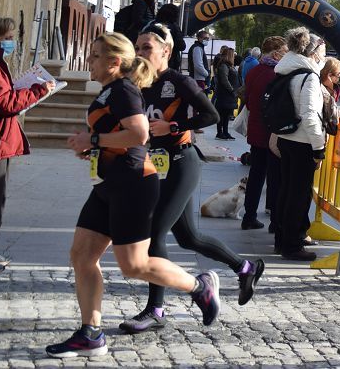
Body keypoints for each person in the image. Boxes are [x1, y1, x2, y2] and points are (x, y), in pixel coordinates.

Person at [48, 33, 219, 358]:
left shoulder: (123, 90)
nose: (89, 62)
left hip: (132, 186)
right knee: (82, 256)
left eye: (95, 56)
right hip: (107, 184)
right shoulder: (112, 90)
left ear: (114, 62)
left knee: (134, 265)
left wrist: (94, 141)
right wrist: (93, 146)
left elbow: (140, 134)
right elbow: (120, 136)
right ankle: (91, 333)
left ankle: (200, 287)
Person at [119, 24, 265, 334]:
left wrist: (173, 126)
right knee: (189, 238)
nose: (141, 52)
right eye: (138, 47)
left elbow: (210, 115)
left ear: (165, 52)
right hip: (156, 165)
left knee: (154, 232)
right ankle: (245, 267)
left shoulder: (178, 81)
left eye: (147, 47)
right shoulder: (137, 83)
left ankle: (156, 310)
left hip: (183, 161)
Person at [0, 16, 54, 275]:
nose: (11, 43)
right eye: (7, 38)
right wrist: (39, 90)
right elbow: (5, 103)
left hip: (1, 140)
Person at [273, 27, 327, 261]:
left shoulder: (286, 69)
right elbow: (309, 114)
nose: (324, 57)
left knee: (287, 191)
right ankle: (292, 245)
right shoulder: (308, 76)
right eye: (323, 52)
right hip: (302, 141)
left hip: (287, 138)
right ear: (313, 53)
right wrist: (319, 147)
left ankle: (281, 239)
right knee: (298, 195)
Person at [242, 36, 287, 231]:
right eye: (285, 51)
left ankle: (249, 215)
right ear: (276, 54)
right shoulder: (276, 74)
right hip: (271, 134)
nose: (287, 55)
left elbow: (249, 102)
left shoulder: (254, 71)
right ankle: (275, 220)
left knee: (256, 175)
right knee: (275, 177)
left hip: (255, 130)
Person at [211, 47, 238, 140]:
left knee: (226, 114)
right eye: (233, 55)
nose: (234, 57)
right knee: (222, 113)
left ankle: (225, 132)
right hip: (225, 94)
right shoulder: (224, 66)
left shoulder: (229, 66)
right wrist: (232, 90)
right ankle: (220, 132)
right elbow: (224, 80)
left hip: (228, 94)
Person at [153, 4, 184, 72]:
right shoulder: (174, 27)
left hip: (153, 61)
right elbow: (182, 46)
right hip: (170, 63)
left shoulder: (152, 25)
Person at [319, 56, 340, 134]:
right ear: (329, 76)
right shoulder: (324, 93)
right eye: (339, 74)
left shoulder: (332, 89)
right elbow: (334, 119)